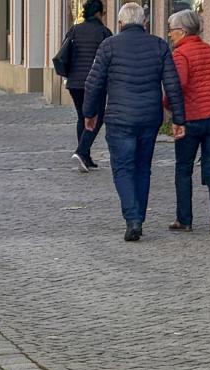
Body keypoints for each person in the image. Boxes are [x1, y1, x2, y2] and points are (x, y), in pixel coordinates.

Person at [83, 2, 185, 242]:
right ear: (145, 23)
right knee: (142, 168)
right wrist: (179, 119)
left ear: (120, 23)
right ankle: (138, 216)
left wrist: (89, 114)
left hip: (119, 119)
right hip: (149, 118)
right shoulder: (159, 45)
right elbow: (172, 85)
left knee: (123, 168)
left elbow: (93, 82)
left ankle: (133, 218)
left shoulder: (109, 46)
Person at [166, 10, 210, 234]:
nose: (169, 35)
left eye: (172, 31)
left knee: (183, 168)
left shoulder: (180, 54)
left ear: (182, 31)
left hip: (191, 119)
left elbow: (179, 86)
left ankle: (184, 219)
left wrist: (168, 106)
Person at [64, 0, 112, 172]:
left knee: (82, 117)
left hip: (75, 83)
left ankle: (85, 156)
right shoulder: (104, 32)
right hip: (95, 83)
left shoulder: (74, 30)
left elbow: (65, 53)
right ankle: (82, 151)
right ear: (98, 13)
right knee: (96, 118)